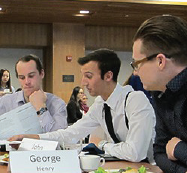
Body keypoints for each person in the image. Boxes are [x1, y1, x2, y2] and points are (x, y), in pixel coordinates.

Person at [9, 49, 156, 163]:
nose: (83, 82)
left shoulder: (135, 100)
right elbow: (70, 134)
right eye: (83, 76)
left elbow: (135, 153)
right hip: (121, 170)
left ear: (108, 76)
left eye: (89, 76)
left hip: (148, 172)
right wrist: (32, 138)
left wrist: (102, 145)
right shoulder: (100, 104)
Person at [132, 15, 187, 173]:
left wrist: (180, 149)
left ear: (160, 61)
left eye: (137, 64)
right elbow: (159, 152)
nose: (135, 73)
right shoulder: (162, 92)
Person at [0, 54, 67, 132]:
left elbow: (60, 138)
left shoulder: (57, 104)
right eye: (22, 77)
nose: (26, 82)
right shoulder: (4, 103)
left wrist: (41, 108)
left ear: (42, 74)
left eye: (31, 76)